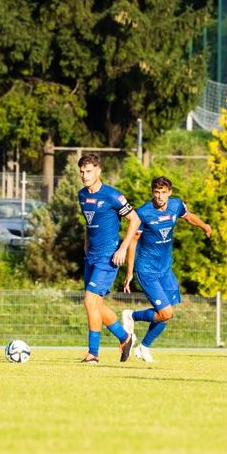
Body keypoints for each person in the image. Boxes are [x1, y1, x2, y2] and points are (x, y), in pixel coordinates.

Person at [122, 176, 212, 363]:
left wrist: (204, 226)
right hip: (147, 270)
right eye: (156, 192)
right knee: (166, 312)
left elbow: (189, 217)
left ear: (169, 192)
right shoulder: (143, 213)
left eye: (163, 192)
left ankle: (143, 347)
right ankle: (131, 315)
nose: (160, 196)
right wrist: (129, 272)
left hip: (165, 269)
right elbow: (132, 241)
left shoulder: (176, 205)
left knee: (167, 313)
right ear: (152, 193)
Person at [76, 153, 140, 364]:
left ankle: (93, 353)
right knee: (96, 305)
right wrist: (86, 245)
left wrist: (122, 249)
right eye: (82, 172)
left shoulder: (113, 196)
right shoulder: (82, 195)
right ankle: (125, 337)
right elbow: (89, 224)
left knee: (89, 300)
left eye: (89, 171)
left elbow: (135, 220)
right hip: (91, 256)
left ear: (98, 171)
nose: (85, 176)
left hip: (108, 257)